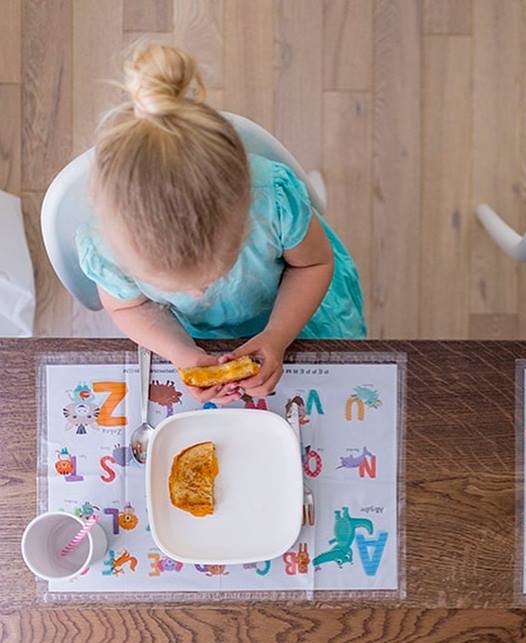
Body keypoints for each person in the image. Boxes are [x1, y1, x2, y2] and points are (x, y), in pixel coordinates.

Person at [77, 42, 365, 404]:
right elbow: (127, 306)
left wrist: (277, 335)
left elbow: (314, 263)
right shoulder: (108, 245)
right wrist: (181, 352)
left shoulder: (272, 202)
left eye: (217, 272)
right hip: (188, 332)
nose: (199, 293)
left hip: (296, 313)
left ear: (245, 206)